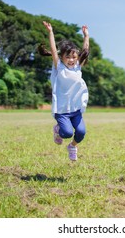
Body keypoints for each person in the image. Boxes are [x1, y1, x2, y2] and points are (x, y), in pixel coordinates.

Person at [41, 21, 90, 161]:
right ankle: (57, 130)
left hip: (75, 109)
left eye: (74, 57)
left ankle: (72, 146)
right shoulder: (59, 68)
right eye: (68, 57)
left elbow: (85, 51)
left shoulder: (77, 67)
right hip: (62, 109)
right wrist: (50, 32)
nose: (71, 60)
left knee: (81, 132)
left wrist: (86, 36)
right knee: (67, 133)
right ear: (62, 57)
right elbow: (52, 47)